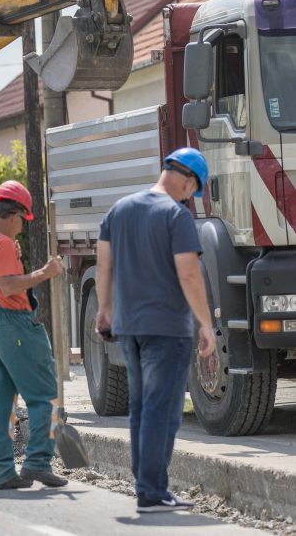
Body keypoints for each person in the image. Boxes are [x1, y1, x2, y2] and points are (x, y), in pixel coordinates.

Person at [96, 147, 216, 513]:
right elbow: (188, 273)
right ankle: (152, 490)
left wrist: (104, 310)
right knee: (162, 410)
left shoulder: (120, 210)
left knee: (141, 407)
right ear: (187, 179)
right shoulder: (175, 216)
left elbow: (104, 266)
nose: (189, 198)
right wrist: (206, 324)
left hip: (129, 327)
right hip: (167, 328)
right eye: (191, 191)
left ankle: (147, 486)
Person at [0, 180, 67, 490]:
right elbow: (10, 285)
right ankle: (37, 462)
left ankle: (2, 471)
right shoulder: (4, 244)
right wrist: (45, 273)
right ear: (13, 215)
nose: (21, 229)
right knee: (44, 396)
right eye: (21, 222)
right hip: (16, 326)